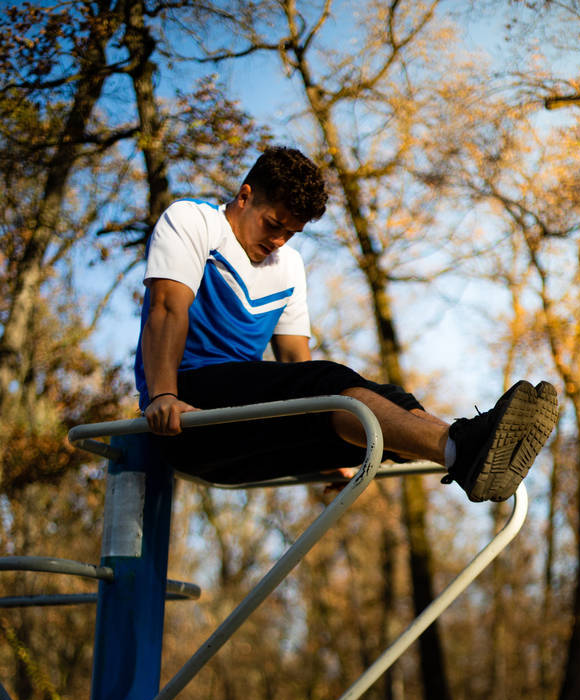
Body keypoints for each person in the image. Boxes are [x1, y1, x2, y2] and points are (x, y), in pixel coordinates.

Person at [136, 146, 558, 500]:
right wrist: (163, 395)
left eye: (292, 233)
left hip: (243, 427)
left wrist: (333, 458)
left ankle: (468, 444)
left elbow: (295, 364)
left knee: (387, 398)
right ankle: (460, 449)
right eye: (273, 224)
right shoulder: (194, 222)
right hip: (189, 413)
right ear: (245, 197)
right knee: (327, 381)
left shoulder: (288, 266)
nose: (279, 241)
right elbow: (167, 308)